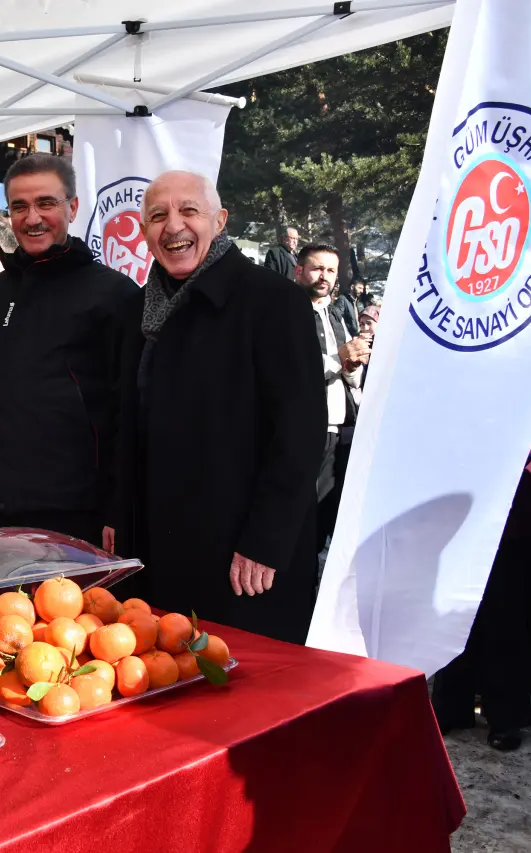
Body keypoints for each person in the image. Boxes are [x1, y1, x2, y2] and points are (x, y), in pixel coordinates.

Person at [108, 171, 326, 644]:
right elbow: (126, 425)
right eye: (158, 216)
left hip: (242, 556)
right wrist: (119, 520)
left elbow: (300, 432)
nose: (173, 227)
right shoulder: (136, 311)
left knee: (246, 696)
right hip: (158, 551)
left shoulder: (274, 301)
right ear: (143, 231)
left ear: (220, 220)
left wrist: (267, 540)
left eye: (189, 211)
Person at [0, 154, 137, 549]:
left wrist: (120, 508)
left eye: (46, 203)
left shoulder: (116, 296)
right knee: (6, 614)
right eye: (20, 206)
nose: (32, 218)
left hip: (85, 516)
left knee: (86, 614)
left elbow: (128, 413)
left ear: (72, 207)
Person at [431, 419, 531, 749]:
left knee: (514, 613)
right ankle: (454, 703)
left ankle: (509, 708)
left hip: (516, 501)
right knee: (459, 605)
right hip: (462, 497)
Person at [296, 244, 369, 547]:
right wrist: (341, 359)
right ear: (298, 271)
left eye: (330, 270)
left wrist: (352, 365)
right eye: (317, 268)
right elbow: (294, 367)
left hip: (338, 429)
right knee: (303, 518)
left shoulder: (338, 314)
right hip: (303, 429)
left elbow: (350, 377)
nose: (323, 276)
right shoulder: (287, 312)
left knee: (328, 515)